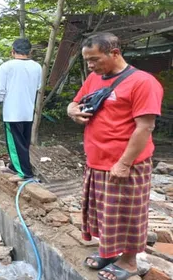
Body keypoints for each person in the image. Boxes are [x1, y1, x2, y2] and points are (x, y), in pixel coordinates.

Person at [67, 32, 163, 280]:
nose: (90, 65)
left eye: (95, 59)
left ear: (115, 53)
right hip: (96, 161)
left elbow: (145, 127)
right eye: (87, 60)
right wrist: (73, 111)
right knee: (103, 213)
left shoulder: (143, 82)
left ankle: (129, 262)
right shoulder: (94, 78)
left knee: (128, 214)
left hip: (126, 164)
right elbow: (75, 103)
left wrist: (123, 163)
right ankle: (109, 252)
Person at [0, 38, 42, 181]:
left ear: (12, 51)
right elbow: (38, 86)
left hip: (12, 113)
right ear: (30, 52)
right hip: (28, 111)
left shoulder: (6, 67)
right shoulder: (37, 67)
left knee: (15, 143)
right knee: (23, 142)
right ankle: (14, 166)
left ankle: (25, 174)